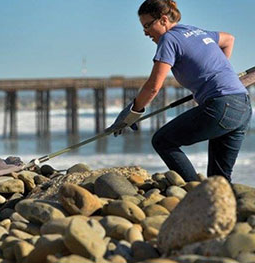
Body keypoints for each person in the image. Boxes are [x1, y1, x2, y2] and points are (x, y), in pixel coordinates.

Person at [106, 0, 252, 182]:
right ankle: (221, 205)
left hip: (222, 106)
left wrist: (132, 113)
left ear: (164, 19)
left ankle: (194, 190)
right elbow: (229, 39)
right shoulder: (196, 31)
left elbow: (153, 86)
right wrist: (219, 72)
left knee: (162, 141)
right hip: (243, 107)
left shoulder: (169, 39)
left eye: (148, 25)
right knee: (219, 180)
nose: (145, 33)